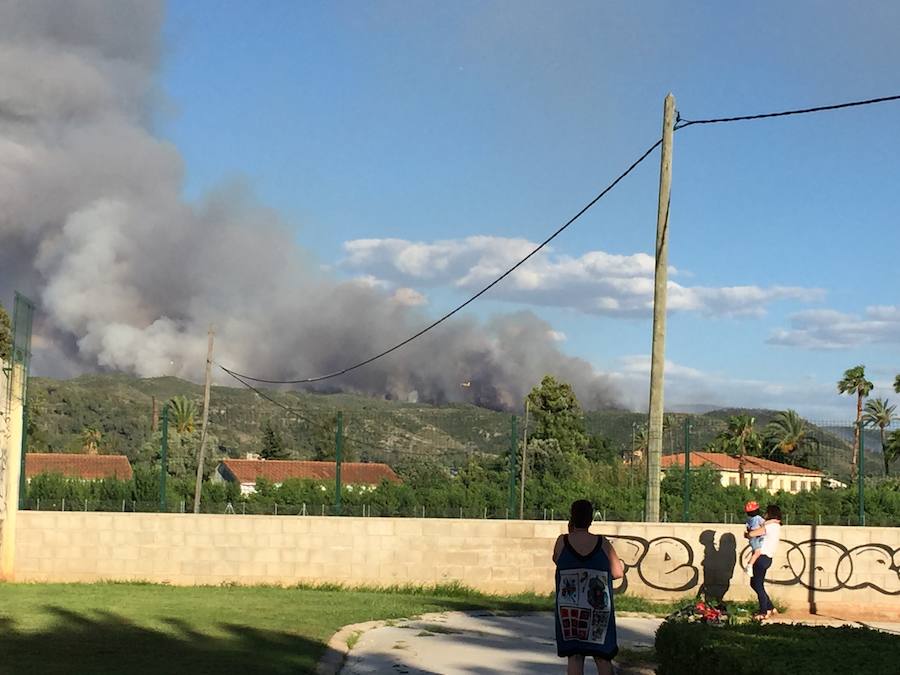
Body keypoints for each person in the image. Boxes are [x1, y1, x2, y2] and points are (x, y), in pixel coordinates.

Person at [553, 500, 625, 675]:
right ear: (591, 519)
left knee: (575, 656)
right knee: (602, 656)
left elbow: (557, 560)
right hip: (598, 609)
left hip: (569, 610)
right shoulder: (603, 544)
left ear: (572, 518)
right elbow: (617, 573)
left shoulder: (562, 542)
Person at [746, 504, 782, 620]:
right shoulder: (776, 526)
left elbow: (752, 534)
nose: (764, 514)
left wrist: (748, 534)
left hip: (761, 558)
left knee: (758, 585)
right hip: (767, 558)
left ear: (770, 514)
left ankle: (763, 612)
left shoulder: (770, 527)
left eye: (766, 513)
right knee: (754, 583)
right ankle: (770, 607)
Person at [743, 500, 765, 576]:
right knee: (757, 552)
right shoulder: (758, 518)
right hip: (756, 538)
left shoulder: (748, 519)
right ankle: (749, 565)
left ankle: (751, 565)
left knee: (755, 552)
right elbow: (765, 524)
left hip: (752, 539)